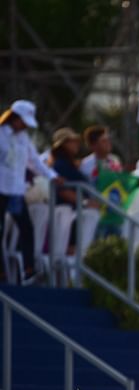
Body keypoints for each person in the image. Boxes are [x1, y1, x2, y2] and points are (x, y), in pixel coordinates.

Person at [0, 100, 58, 283]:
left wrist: (52, 175)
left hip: (16, 190)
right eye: (22, 121)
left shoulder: (24, 138)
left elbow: (34, 161)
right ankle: (1, 271)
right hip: (1, 188)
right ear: (13, 118)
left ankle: (29, 269)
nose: (24, 125)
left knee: (27, 228)